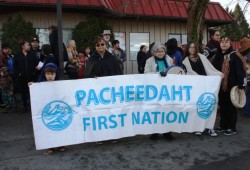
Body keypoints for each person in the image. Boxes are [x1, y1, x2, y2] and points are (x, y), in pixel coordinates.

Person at [182, 41, 223, 137]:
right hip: (195, 87)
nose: (192, 49)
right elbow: (187, 74)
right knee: (197, 107)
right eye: (190, 47)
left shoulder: (202, 57)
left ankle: (210, 127)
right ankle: (198, 127)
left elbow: (210, 68)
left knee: (210, 105)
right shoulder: (185, 61)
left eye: (193, 47)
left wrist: (218, 74)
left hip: (207, 85)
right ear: (187, 49)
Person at [212, 36, 246, 136]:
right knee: (222, 106)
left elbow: (240, 71)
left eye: (227, 42)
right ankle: (223, 125)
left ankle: (231, 127)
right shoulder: (216, 56)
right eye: (222, 41)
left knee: (231, 107)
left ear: (230, 44)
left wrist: (241, 85)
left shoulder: (235, 55)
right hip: (220, 86)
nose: (224, 43)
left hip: (232, 86)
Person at [29, 63, 65, 154]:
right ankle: (50, 146)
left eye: (52, 74)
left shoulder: (61, 84)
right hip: (46, 112)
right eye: (48, 74)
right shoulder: (39, 85)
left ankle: (61, 144)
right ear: (44, 74)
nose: (50, 76)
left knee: (59, 128)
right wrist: (32, 86)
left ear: (56, 74)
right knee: (47, 128)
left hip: (57, 111)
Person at [144, 43, 174, 140]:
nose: (160, 53)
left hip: (167, 89)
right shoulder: (149, 61)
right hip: (155, 89)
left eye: (162, 51)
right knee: (155, 110)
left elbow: (174, 70)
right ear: (154, 52)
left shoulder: (169, 59)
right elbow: (146, 73)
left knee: (167, 110)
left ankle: (167, 132)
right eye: (158, 51)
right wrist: (157, 74)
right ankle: (155, 132)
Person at [14, 40, 39, 113]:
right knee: (23, 93)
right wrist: (19, 74)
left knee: (32, 93)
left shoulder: (32, 54)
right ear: (22, 46)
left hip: (31, 77)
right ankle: (25, 107)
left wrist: (34, 73)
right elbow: (15, 66)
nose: (29, 46)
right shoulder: (17, 55)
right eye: (27, 45)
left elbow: (36, 64)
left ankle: (33, 107)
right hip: (22, 78)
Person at [237, 37, 250, 116]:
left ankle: (245, 108)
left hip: (243, 76)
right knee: (248, 93)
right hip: (247, 76)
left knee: (246, 92)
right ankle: (247, 110)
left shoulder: (240, 54)